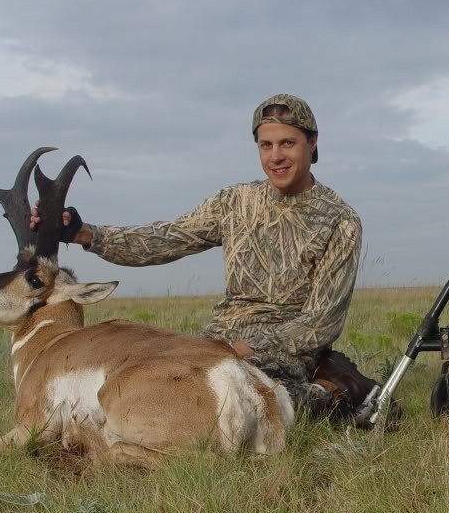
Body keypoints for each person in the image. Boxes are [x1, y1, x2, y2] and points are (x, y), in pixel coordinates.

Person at [31, 94, 398, 427]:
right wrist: (86, 234)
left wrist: (250, 347)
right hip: (215, 340)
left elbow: (320, 322)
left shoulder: (340, 221)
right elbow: (165, 239)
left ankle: (336, 398)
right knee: (153, 387)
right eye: (266, 145)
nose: (276, 156)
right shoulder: (235, 202)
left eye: (288, 143)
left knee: (248, 413)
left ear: (312, 143)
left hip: (283, 354)